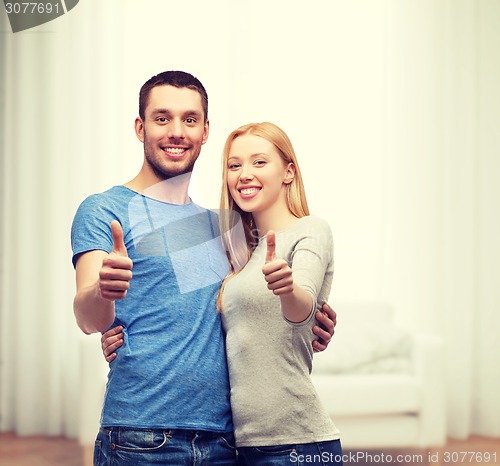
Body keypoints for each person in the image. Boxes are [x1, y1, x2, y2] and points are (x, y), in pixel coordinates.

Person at [71, 70, 336, 466]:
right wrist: (102, 293)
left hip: (227, 442)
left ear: (205, 130)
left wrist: (316, 316)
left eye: (189, 119)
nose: (176, 131)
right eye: (162, 118)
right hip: (141, 436)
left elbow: (254, 305)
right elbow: (89, 318)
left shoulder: (226, 226)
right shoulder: (105, 209)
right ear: (140, 127)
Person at [218, 122, 342, 465]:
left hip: (297, 445)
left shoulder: (310, 229)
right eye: (234, 165)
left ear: (288, 172)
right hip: (240, 445)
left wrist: (287, 289)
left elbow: (302, 307)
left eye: (259, 162)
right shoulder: (239, 253)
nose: (244, 173)